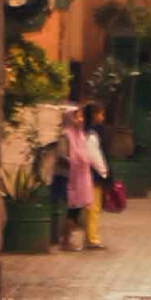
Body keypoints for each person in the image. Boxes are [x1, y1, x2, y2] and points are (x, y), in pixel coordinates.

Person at [58, 104, 106, 250]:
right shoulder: (66, 135)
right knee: (71, 209)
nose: (80, 120)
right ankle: (65, 240)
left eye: (81, 116)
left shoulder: (80, 134)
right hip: (70, 178)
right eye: (77, 116)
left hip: (81, 177)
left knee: (76, 209)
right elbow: (62, 156)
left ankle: (68, 240)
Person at [82, 102, 111, 250]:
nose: (103, 117)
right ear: (94, 115)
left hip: (87, 173)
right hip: (93, 174)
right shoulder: (92, 134)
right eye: (101, 114)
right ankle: (92, 238)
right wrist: (103, 170)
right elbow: (94, 155)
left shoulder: (85, 132)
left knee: (91, 206)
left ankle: (90, 236)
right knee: (94, 207)